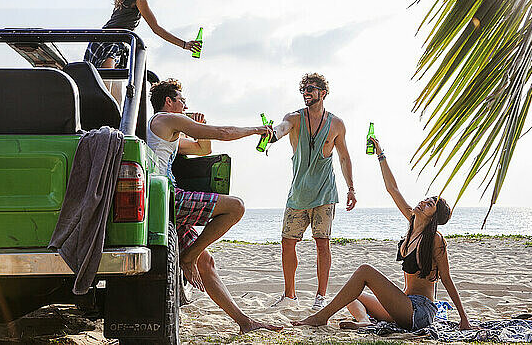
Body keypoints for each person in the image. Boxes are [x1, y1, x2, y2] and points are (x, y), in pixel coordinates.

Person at [292, 137, 472, 331]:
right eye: (426, 199)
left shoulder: (435, 239)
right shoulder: (412, 223)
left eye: (430, 205)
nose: (424, 202)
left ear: (434, 217)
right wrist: (380, 154)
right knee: (353, 295)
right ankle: (364, 321)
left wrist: (464, 319)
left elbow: (446, 278)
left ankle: (321, 317)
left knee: (365, 271)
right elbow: (392, 189)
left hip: (419, 311)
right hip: (404, 304)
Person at [147, 79, 281, 333]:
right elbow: (224, 134)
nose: (185, 105)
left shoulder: (166, 129)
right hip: (169, 198)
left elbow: (201, 148)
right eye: (182, 101)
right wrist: (257, 130)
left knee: (206, 264)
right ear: (169, 101)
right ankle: (188, 256)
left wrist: (198, 127)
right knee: (236, 207)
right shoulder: (165, 119)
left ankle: (245, 322)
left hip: (163, 205)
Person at [269, 73, 357, 311]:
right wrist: (272, 134)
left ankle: (320, 297)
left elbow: (344, 157)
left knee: (322, 244)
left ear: (323, 93)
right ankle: (290, 296)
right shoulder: (294, 118)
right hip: (298, 193)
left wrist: (351, 188)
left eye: (310, 89)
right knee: (287, 243)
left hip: (325, 194)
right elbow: (282, 128)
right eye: (304, 89)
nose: (306, 92)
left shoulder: (336, 124)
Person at [85, 0, 201, 105]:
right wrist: (185, 45)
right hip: (109, 42)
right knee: (105, 95)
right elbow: (156, 28)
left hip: (118, 43)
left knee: (116, 100)